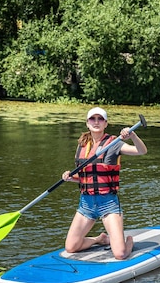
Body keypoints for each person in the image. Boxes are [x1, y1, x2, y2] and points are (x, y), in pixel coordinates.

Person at [62, 107, 147, 260]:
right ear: (87, 123)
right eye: (92, 119)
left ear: (105, 123)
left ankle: (129, 241)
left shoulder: (114, 143)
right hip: (86, 205)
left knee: (120, 254)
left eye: (100, 119)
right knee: (71, 247)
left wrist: (133, 135)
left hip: (108, 204)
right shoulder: (82, 145)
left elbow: (141, 151)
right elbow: (85, 178)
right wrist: (70, 177)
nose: (96, 122)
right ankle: (99, 239)